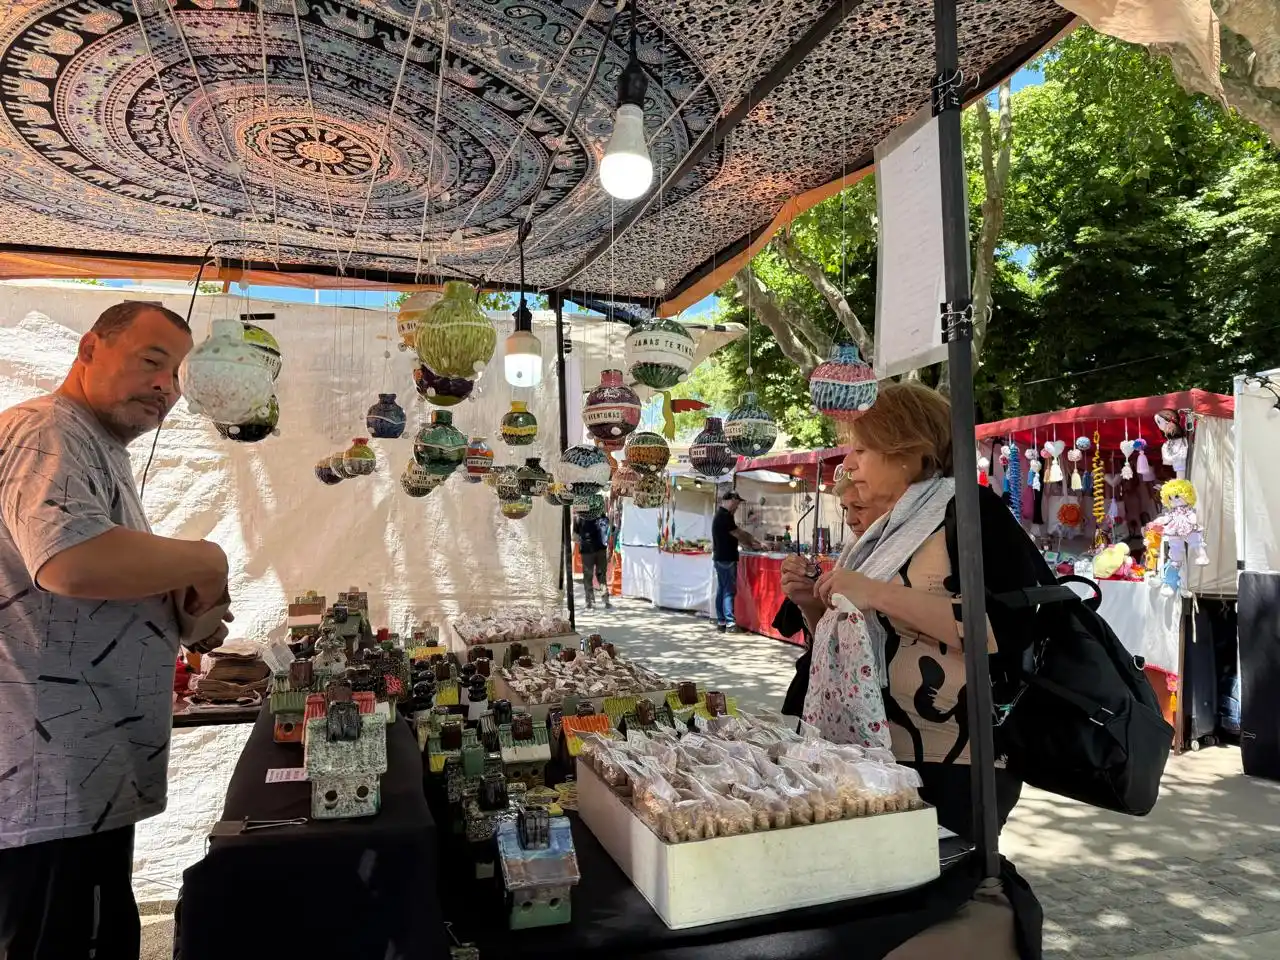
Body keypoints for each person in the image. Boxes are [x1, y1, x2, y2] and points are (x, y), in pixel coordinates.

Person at [0, 302, 232, 958]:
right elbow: (70, 562)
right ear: (90, 347)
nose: (167, 385)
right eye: (151, 361)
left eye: (179, 374)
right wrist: (206, 559)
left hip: (82, 777)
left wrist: (188, 608)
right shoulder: (50, 430)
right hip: (49, 779)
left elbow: (106, 575)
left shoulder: (93, 447)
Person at [780, 382, 1049, 840]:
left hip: (952, 763)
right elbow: (860, 637)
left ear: (909, 452)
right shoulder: (886, 533)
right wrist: (813, 604)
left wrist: (875, 593)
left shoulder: (969, 513)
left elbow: (1006, 631)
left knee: (944, 894)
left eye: (862, 449)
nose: (849, 464)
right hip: (874, 757)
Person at [780, 476, 883, 716]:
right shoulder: (854, 554)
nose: (849, 520)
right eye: (846, 508)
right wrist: (808, 602)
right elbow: (827, 645)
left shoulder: (897, 560)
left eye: (860, 507)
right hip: (841, 701)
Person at [710, 490, 762, 633]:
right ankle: (730, 623)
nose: (737, 507)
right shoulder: (725, 516)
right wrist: (754, 543)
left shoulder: (722, 515)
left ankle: (721, 622)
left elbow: (736, 533)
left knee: (722, 590)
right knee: (728, 591)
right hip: (727, 558)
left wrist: (750, 541)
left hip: (720, 557)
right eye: (737, 503)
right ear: (730, 500)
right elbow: (739, 533)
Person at [573, 510, 611, 610]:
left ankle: (590, 601)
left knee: (588, 576)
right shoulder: (602, 515)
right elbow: (607, 530)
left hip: (586, 551)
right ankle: (605, 598)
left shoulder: (578, 517)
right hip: (601, 549)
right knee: (601, 575)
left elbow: (575, 537)